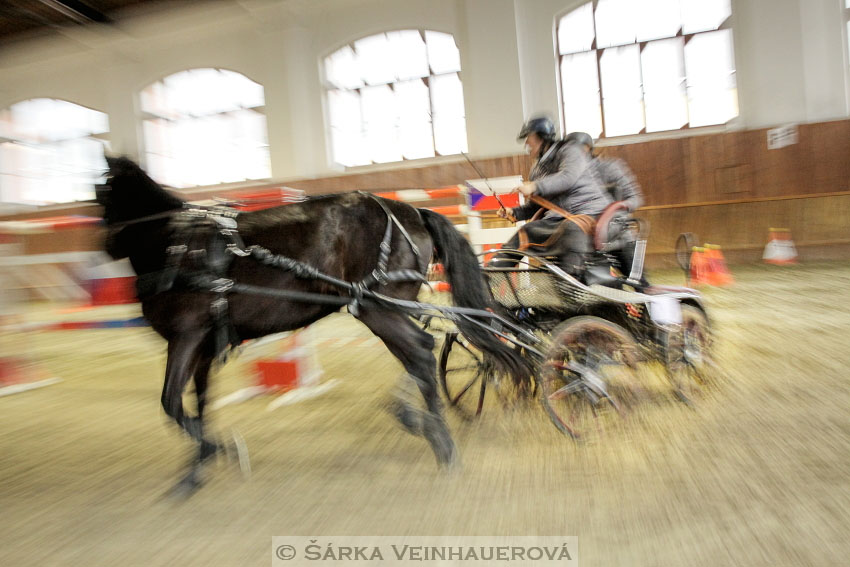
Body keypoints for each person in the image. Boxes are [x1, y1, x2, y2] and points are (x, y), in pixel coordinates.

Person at [490, 117, 612, 278]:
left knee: (566, 230)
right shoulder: (537, 169)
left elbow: (568, 177)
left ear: (542, 136)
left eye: (529, 138)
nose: (526, 144)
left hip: (589, 212)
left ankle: (491, 273)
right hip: (561, 219)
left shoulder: (569, 151)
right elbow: (536, 205)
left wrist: (535, 186)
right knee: (526, 232)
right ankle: (490, 273)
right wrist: (515, 212)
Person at [565, 131, 648, 285]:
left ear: (586, 148)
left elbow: (635, 198)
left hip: (618, 237)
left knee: (640, 284)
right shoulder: (569, 176)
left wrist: (615, 209)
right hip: (586, 243)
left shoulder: (609, 168)